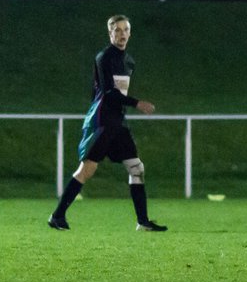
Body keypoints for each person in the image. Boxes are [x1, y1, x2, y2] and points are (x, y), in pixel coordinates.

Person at [48, 15, 166, 232]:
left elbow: (117, 93)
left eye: (126, 30)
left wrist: (128, 106)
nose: (122, 34)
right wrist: (137, 103)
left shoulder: (129, 61)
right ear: (110, 33)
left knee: (136, 167)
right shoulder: (104, 58)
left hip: (118, 122)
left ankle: (143, 221)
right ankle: (57, 216)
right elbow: (109, 93)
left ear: (130, 33)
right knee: (87, 169)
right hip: (103, 121)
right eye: (117, 30)